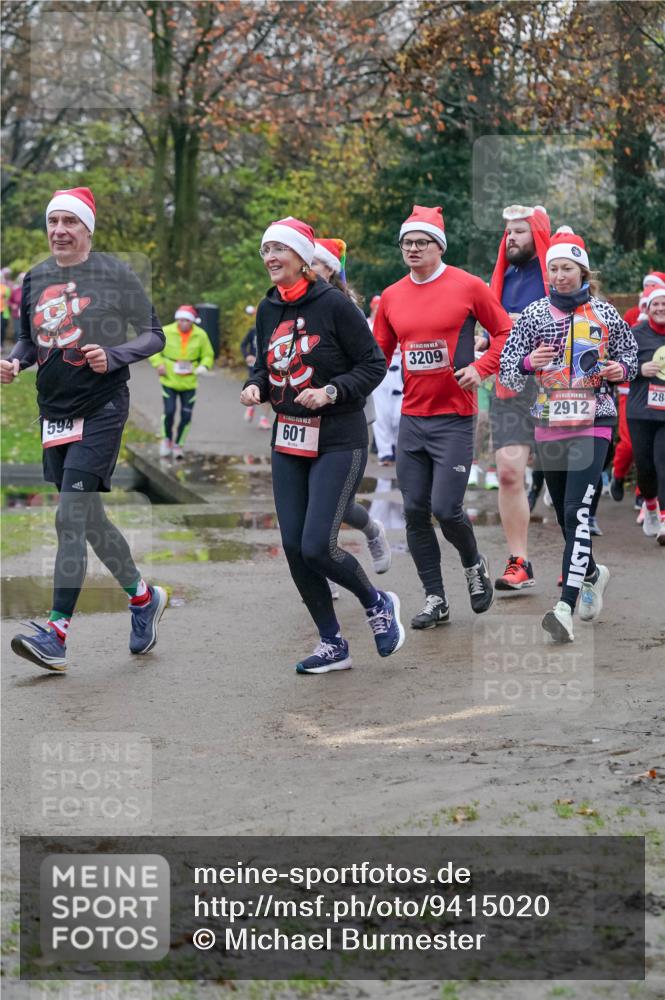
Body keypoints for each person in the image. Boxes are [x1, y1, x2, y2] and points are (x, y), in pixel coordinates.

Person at [1, 186, 167, 671]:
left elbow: (154, 334)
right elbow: (27, 340)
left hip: (102, 407)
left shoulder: (115, 275)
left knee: (69, 518)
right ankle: (142, 598)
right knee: (87, 518)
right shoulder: (34, 278)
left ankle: (56, 632)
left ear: (87, 229)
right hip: (53, 412)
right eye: (52, 221)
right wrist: (14, 362)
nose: (58, 231)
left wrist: (113, 356)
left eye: (69, 222)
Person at [239, 216, 402, 674]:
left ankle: (377, 604)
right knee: (293, 547)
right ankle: (333, 643)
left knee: (317, 546)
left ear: (302, 257)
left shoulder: (333, 305)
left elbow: (373, 365)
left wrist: (332, 391)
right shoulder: (267, 307)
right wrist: (256, 386)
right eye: (265, 250)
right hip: (289, 438)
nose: (270, 258)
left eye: (279, 250)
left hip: (338, 438)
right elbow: (266, 364)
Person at [373, 204, 513, 629]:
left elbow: (505, 331)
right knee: (415, 510)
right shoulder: (393, 296)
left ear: (439, 247)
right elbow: (377, 356)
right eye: (407, 243)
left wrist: (481, 368)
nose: (413, 249)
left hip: (455, 415)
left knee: (446, 508)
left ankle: (473, 564)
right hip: (412, 417)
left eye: (422, 242)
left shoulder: (468, 286)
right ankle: (435, 598)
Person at [500, 230, 638, 643]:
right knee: (563, 512)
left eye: (567, 268)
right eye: (553, 268)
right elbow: (506, 370)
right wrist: (527, 361)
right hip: (548, 420)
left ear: (583, 271)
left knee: (578, 510)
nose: (559, 275)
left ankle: (565, 607)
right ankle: (593, 572)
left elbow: (630, 356)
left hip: (596, 418)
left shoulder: (606, 314)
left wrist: (620, 370)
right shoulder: (534, 315)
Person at [310, 237, 392, 580]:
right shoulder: (288, 306)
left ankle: (372, 529)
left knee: (337, 506)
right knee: (306, 506)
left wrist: (331, 390)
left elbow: (369, 363)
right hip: (300, 421)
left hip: (343, 414)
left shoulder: (345, 308)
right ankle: (319, 574)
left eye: (315, 263)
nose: (308, 269)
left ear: (331, 269)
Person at [483, 204, 552, 589]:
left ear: (538, 234)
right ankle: (519, 561)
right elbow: (496, 327)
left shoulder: (557, 276)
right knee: (509, 474)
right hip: (511, 387)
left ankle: (578, 563)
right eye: (508, 232)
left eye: (521, 232)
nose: (512, 238)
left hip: (557, 389)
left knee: (563, 482)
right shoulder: (500, 279)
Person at [626, 286, 665, 543]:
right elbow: (620, 368)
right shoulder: (636, 334)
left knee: (664, 462)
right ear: (647, 309)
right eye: (656, 305)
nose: (661, 309)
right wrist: (641, 368)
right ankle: (650, 505)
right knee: (646, 467)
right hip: (641, 411)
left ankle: (663, 519)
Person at [149, 304, 214, 458]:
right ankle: (167, 440)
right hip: (169, 379)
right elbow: (152, 349)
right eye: (180, 320)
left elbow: (208, 354)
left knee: (186, 416)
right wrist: (158, 364)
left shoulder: (201, 335)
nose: (183, 323)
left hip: (189, 381)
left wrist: (204, 366)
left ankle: (179, 445)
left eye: (186, 320)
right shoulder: (166, 331)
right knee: (169, 412)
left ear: (192, 321)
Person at [241, 305, 271, 429]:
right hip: (255, 367)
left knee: (269, 395)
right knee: (254, 389)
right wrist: (247, 355)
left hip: (270, 367)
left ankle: (263, 419)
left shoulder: (275, 331)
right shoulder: (253, 331)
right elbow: (243, 345)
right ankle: (251, 407)